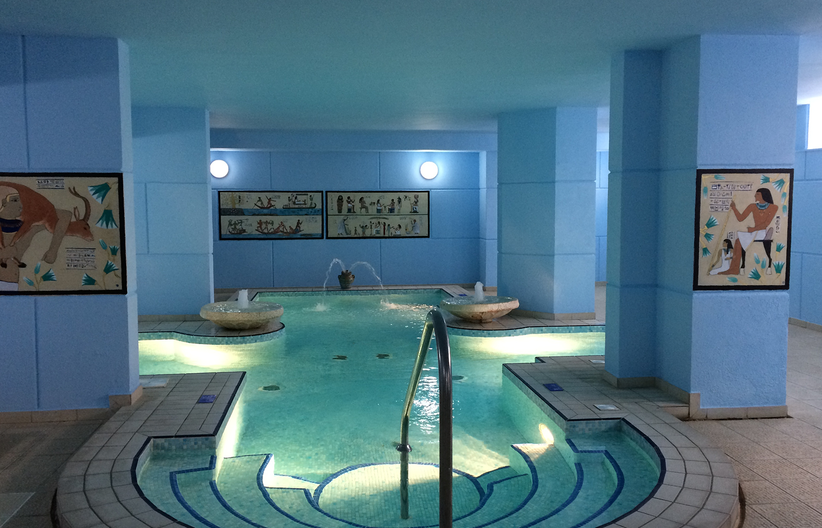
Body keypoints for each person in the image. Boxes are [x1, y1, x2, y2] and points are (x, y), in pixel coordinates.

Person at [719, 188, 778, 275]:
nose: (755, 195)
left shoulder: (773, 207)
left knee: (739, 241)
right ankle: (735, 268)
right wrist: (734, 208)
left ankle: (735, 268)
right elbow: (740, 218)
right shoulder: (752, 206)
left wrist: (753, 229)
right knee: (738, 241)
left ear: (763, 195)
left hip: (762, 233)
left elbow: (766, 223)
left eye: (757, 194)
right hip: (754, 232)